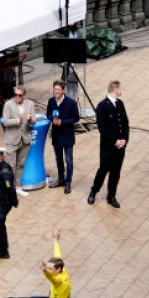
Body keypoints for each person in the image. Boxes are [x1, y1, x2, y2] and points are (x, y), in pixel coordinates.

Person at [88, 80, 130, 208]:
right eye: (120, 88)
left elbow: (125, 124)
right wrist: (114, 141)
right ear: (115, 89)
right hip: (108, 146)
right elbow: (102, 127)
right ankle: (94, 191)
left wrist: (124, 140)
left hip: (120, 146)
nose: (121, 90)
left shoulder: (120, 103)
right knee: (103, 170)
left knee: (116, 172)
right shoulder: (102, 106)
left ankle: (111, 196)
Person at [0, 86, 34, 197]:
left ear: (24, 95)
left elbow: (34, 121)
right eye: (15, 94)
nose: (17, 97)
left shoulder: (30, 104)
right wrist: (17, 120)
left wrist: (30, 119)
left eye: (20, 95)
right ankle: (9, 189)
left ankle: (17, 187)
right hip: (12, 139)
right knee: (10, 166)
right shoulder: (8, 104)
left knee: (20, 164)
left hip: (25, 139)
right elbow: (5, 121)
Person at [46, 81, 79, 194]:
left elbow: (76, 118)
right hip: (56, 135)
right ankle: (60, 179)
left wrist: (63, 122)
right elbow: (48, 114)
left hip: (67, 135)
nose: (56, 92)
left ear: (63, 90)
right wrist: (52, 119)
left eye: (58, 89)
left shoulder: (71, 103)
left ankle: (68, 182)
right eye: (55, 89)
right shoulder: (51, 101)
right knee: (58, 158)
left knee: (68, 160)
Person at [40, 229, 71, 298]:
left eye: (50, 269)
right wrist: (55, 241)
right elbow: (58, 255)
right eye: (48, 267)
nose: (49, 270)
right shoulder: (63, 271)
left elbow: (52, 278)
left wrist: (45, 271)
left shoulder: (59, 282)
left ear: (57, 269)